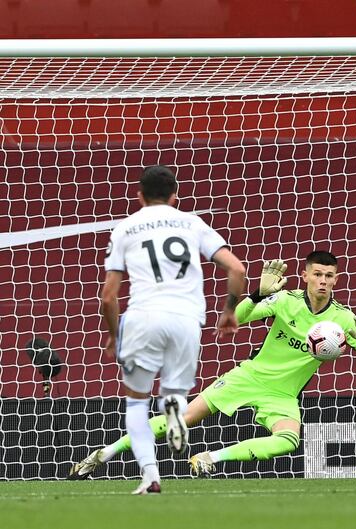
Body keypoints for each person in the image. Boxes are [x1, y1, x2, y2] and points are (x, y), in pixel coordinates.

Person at [70, 251, 356, 480]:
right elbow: (239, 318)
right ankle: (103, 455)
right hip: (247, 377)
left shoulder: (344, 320)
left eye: (329, 276)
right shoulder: (284, 301)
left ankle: (210, 458)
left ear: (336, 280)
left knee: (288, 440)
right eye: (317, 274)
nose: (322, 281)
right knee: (183, 420)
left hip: (282, 396)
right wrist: (257, 293)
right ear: (304, 275)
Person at [97, 165, 246, 494]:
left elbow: (108, 296)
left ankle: (151, 476)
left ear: (139, 196)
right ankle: (174, 407)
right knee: (174, 394)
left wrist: (112, 334)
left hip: (142, 318)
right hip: (186, 320)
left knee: (136, 403)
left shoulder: (126, 228)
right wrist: (229, 311)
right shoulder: (191, 223)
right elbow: (236, 268)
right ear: (175, 197)